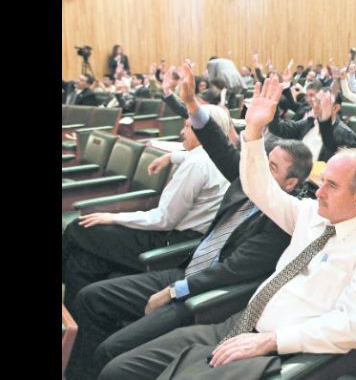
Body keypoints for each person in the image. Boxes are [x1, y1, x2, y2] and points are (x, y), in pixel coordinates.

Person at [100, 76, 356, 380]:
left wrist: (272, 340)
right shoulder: (311, 214)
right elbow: (260, 190)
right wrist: (254, 132)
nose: (319, 192)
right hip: (236, 325)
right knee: (118, 370)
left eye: (331, 186)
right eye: (322, 182)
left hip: (279, 352)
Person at [65, 65, 314, 380]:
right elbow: (217, 145)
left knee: (112, 353)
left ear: (291, 183)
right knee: (91, 298)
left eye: (273, 168)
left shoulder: (282, 222)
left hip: (204, 295)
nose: (261, 169)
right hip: (184, 270)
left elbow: (231, 270)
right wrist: (192, 104)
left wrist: (173, 291)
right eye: (264, 161)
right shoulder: (249, 182)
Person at [62, 104, 233, 311]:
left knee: (78, 227)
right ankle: (75, 324)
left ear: (203, 132)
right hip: (187, 240)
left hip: (170, 243)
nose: (181, 132)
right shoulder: (224, 159)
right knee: (81, 262)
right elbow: (193, 157)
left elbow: (163, 220)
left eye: (187, 127)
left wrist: (114, 217)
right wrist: (170, 156)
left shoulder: (196, 165)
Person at [268, 87, 356, 162]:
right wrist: (273, 103)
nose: (315, 106)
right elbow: (278, 128)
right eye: (316, 100)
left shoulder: (346, 136)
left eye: (321, 102)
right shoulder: (309, 123)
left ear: (335, 108)